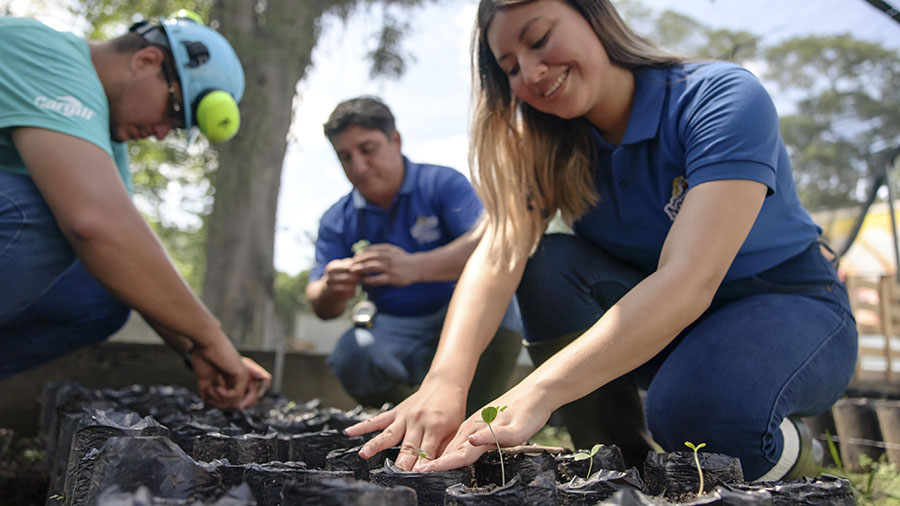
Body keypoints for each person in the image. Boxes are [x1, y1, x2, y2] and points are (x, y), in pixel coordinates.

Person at [344, 0, 858, 482]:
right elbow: (499, 254)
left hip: (789, 303)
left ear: (592, 14)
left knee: (698, 414)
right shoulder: (548, 142)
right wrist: (443, 383)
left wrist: (534, 394)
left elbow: (687, 280)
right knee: (545, 262)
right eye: (511, 68)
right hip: (665, 324)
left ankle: (792, 452)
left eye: (540, 39)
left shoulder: (719, 98)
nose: (532, 74)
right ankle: (618, 470)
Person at [0, 12, 271, 409]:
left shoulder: (102, 135)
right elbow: (95, 225)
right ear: (146, 61)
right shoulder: (42, 50)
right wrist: (211, 334)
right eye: (174, 111)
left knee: (101, 297)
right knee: (50, 213)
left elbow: (126, 251)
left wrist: (198, 350)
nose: (163, 132)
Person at [306, 96, 523, 412]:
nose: (358, 167)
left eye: (367, 150)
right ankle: (410, 416)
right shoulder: (337, 218)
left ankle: (474, 416)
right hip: (395, 329)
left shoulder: (441, 183)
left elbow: (492, 245)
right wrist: (332, 287)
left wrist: (415, 267)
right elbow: (319, 300)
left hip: (461, 312)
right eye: (345, 157)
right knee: (352, 353)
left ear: (395, 140)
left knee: (501, 300)